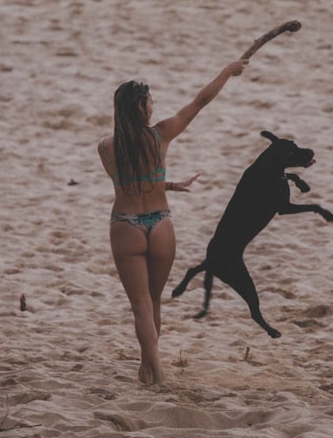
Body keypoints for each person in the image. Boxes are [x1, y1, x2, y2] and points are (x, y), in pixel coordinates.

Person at [98, 59, 248, 384]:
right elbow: (200, 101)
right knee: (154, 301)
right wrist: (226, 71)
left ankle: (152, 370)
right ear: (141, 106)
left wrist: (168, 184)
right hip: (160, 224)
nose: (154, 104)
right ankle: (154, 371)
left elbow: (128, 182)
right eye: (150, 99)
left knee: (140, 306)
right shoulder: (160, 135)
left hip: (126, 225)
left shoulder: (106, 148)